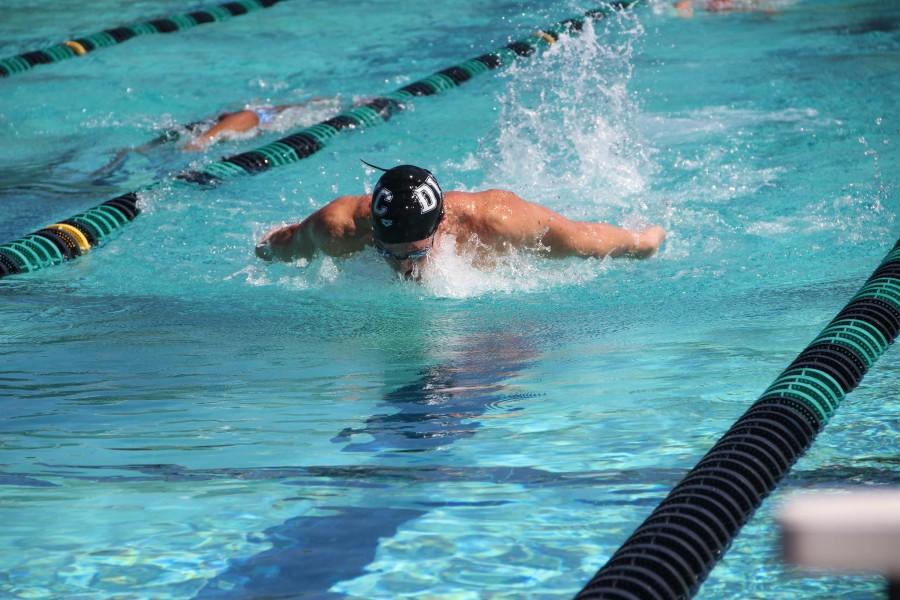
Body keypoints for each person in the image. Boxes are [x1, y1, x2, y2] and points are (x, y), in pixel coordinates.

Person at [255, 164, 666, 280]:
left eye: (415, 253)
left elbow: (583, 238)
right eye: (388, 253)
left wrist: (642, 242)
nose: (405, 269)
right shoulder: (337, 228)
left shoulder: (498, 221)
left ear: (442, 223)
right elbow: (276, 246)